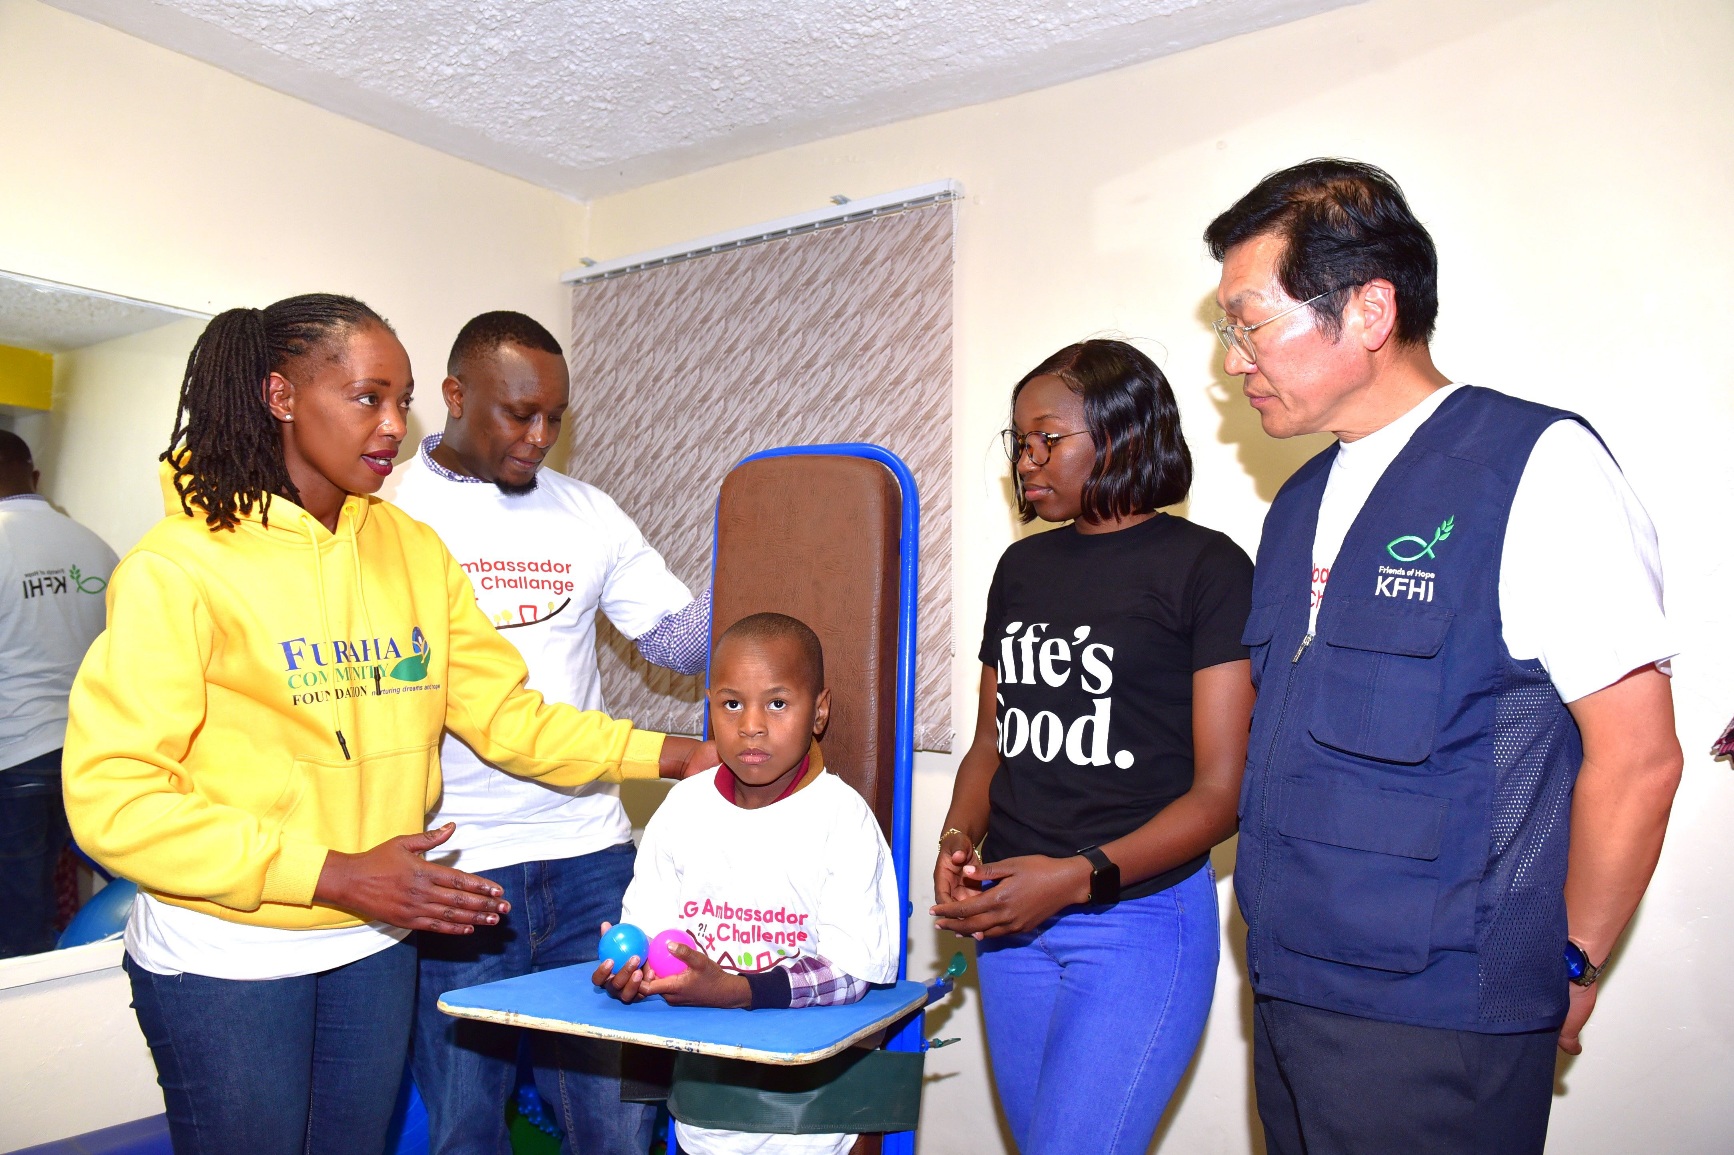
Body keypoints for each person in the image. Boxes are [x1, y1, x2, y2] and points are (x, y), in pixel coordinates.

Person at [60, 294, 703, 1155]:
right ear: (281, 396)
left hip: (372, 943)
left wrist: (672, 753)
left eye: (402, 400)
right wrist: (331, 871)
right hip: (229, 954)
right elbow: (116, 799)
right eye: (369, 397)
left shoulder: (410, 548)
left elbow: (507, 717)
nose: (395, 425)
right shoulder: (177, 565)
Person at [1206, 159, 1683, 1155]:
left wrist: (1577, 967)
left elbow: (1637, 757)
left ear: (1370, 312)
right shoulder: (1295, 505)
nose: (1233, 359)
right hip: (1290, 993)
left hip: (1437, 1022)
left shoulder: (1535, 469)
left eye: (1249, 324)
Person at [385, 310, 711, 1154]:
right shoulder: (388, 516)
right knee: (465, 1125)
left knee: (616, 1124)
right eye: (518, 413)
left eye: (555, 419)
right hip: (456, 865)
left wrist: (771, 569)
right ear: (455, 396)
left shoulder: (588, 512)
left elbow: (674, 642)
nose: (539, 437)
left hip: (590, 856)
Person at [929, 339, 1255, 1155]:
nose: (1026, 461)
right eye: (1019, 442)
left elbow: (1223, 792)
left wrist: (1076, 876)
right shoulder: (1022, 567)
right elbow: (989, 747)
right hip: (1012, 920)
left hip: (1135, 920)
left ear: (1121, 436)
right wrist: (957, 837)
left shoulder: (1207, 567)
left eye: (1048, 439)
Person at [595, 612, 901, 1155]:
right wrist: (632, 971)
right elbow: (648, 930)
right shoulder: (683, 809)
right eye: (731, 704)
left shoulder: (842, 819)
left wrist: (737, 992)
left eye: (777, 704)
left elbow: (853, 975)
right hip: (707, 1112)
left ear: (819, 711)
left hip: (818, 1118)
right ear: (709, 706)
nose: (751, 725)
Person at [0, 430, 117, 957]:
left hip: (14, 755)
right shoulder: (94, 546)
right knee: (113, 890)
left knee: (18, 916)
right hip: (91, 753)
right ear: (36, 476)